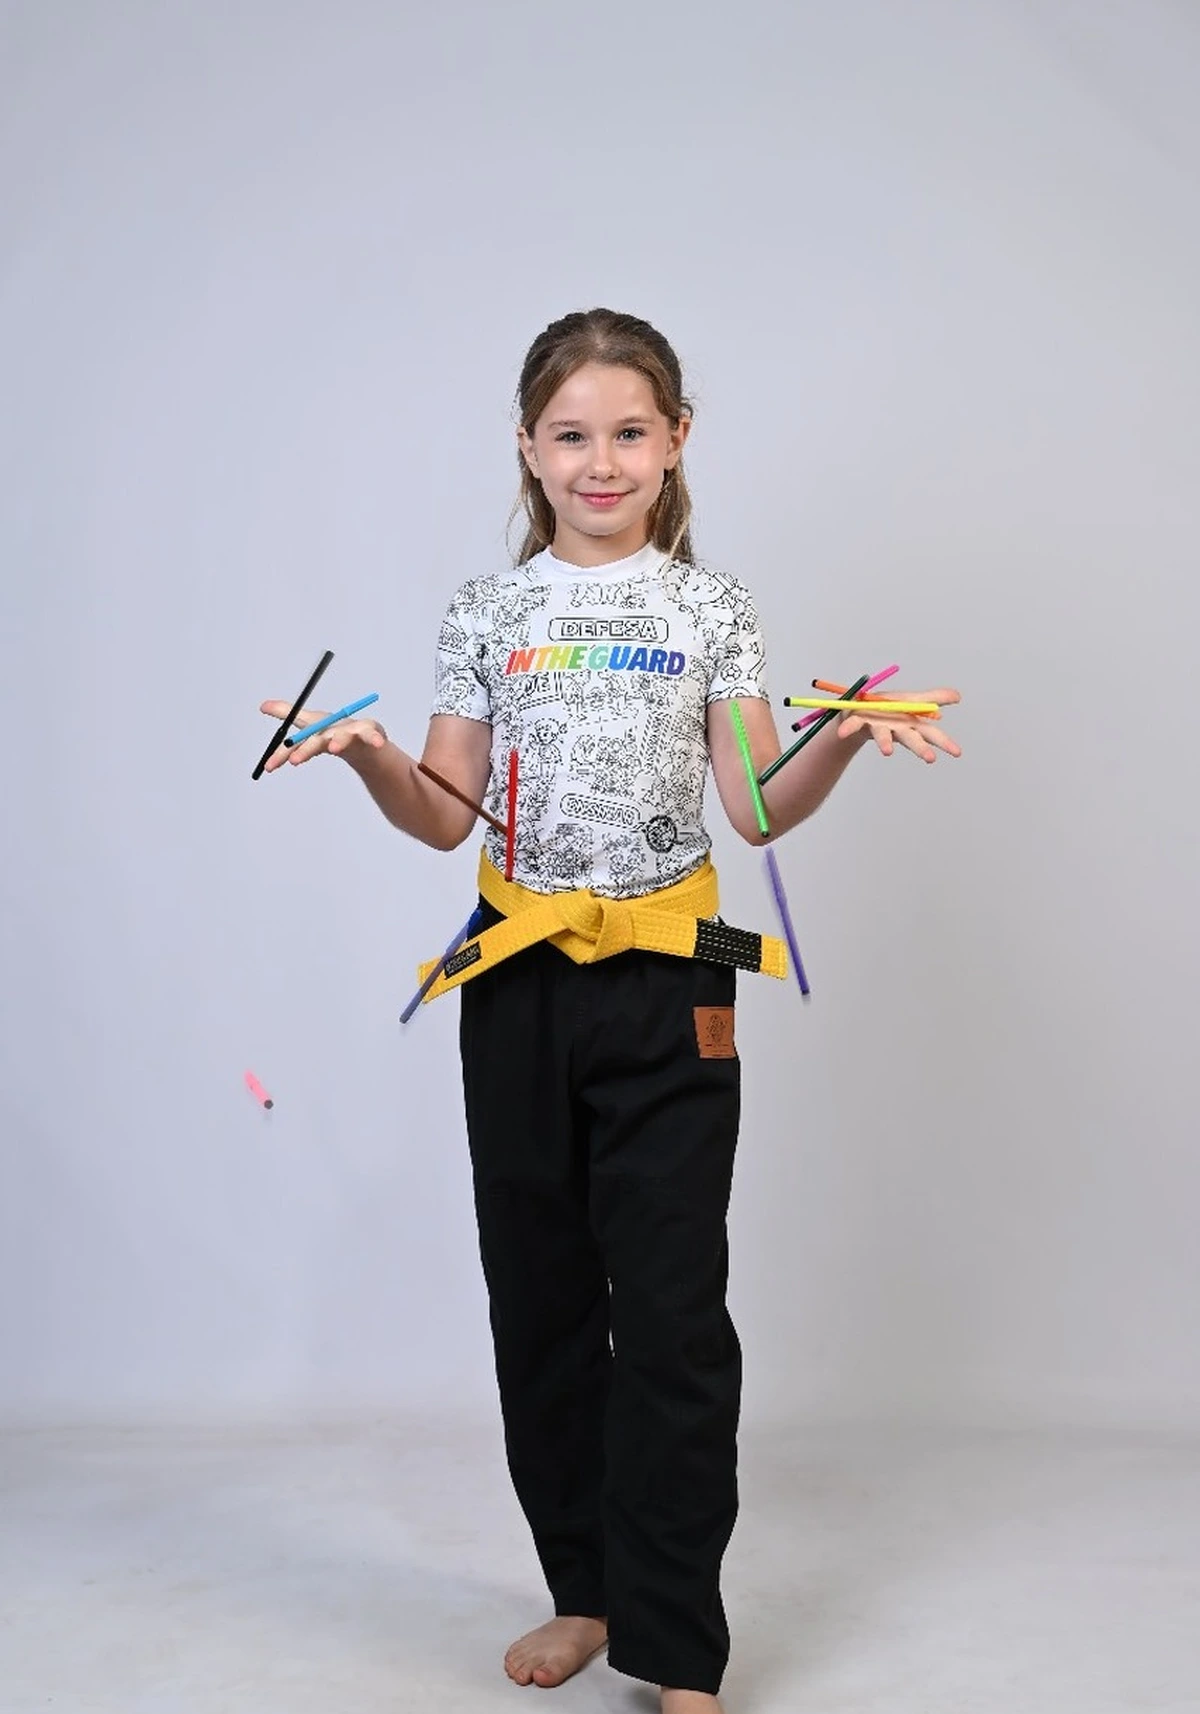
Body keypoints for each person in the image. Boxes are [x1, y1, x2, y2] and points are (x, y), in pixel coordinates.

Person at [258, 308, 961, 1713]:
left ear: (676, 440)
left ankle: (678, 1644)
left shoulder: (712, 609)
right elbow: (444, 813)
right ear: (527, 447)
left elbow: (755, 804)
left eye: (629, 431)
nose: (600, 461)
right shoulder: (488, 611)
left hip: (670, 979)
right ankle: (584, 1590)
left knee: (676, 1313)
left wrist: (836, 739)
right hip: (515, 977)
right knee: (542, 1299)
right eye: (571, 434)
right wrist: (368, 755)